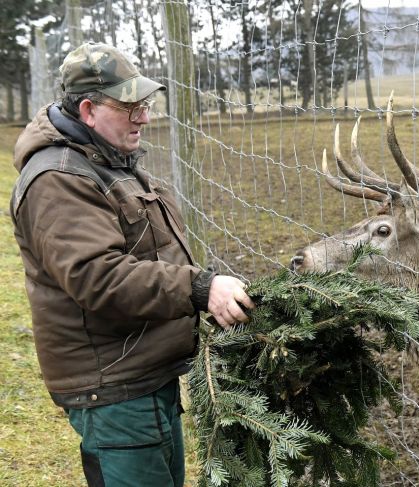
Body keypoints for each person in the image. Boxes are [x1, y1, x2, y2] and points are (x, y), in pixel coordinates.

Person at [10, 42, 254, 487]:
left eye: (144, 104)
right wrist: (200, 288)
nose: (144, 116)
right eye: (130, 107)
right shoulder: (59, 178)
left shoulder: (107, 159)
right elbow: (97, 277)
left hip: (141, 373)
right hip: (113, 387)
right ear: (88, 110)